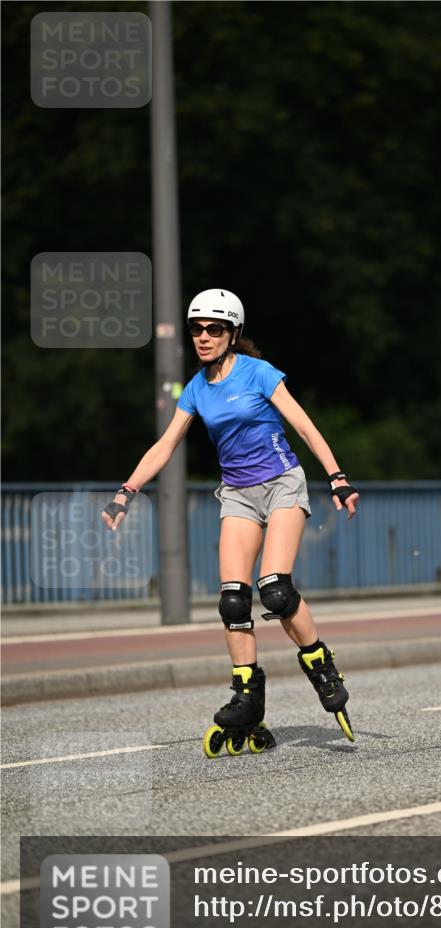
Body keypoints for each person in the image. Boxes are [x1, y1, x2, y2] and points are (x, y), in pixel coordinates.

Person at [102, 288, 359, 754]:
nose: (203, 336)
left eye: (213, 329)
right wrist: (126, 492)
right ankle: (247, 698)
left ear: (233, 333)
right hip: (238, 495)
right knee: (234, 602)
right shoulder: (196, 388)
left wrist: (337, 478)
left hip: (282, 482)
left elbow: (304, 426)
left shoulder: (258, 373)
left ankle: (321, 665)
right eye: (196, 328)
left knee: (275, 589)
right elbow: (164, 445)